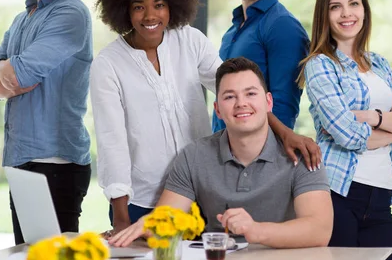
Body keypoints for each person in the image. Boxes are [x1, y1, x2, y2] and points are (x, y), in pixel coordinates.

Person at [110, 57, 332, 249]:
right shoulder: (194, 156)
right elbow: (166, 220)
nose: (241, 103)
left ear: (268, 102)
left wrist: (256, 231)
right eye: (229, 97)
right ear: (217, 109)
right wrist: (146, 226)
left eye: (250, 93)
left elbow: (319, 230)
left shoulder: (302, 154)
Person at [90, 0, 223, 235]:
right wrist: (121, 218)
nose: (150, 15)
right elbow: (112, 142)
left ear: (173, 4)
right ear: (124, 9)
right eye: (139, 6)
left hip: (198, 196)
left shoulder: (191, 41)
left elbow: (232, 91)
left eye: (159, 4)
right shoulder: (108, 65)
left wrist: (281, 131)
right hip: (141, 203)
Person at [0, 0, 95, 244]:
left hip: (56, 163)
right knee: (26, 253)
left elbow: (19, 74)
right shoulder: (23, 17)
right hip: (22, 159)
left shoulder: (71, 13)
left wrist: (7, 70)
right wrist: (4, 72)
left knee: (50, 254)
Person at [300, 0, 392, 260]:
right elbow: (347, 135)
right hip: (339, 195)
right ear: (325, 15)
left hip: (381, 197)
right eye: (335, 7)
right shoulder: (320, 65)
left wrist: (371, 116)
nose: (346, 13)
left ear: (364, 11)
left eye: (354, 4)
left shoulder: (379, 63)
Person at [212, 0, 321, 170]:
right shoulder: (234, 29)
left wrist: (257, 165)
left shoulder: (283, 26)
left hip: (252, 162)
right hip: (223, 157)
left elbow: (283, 105)